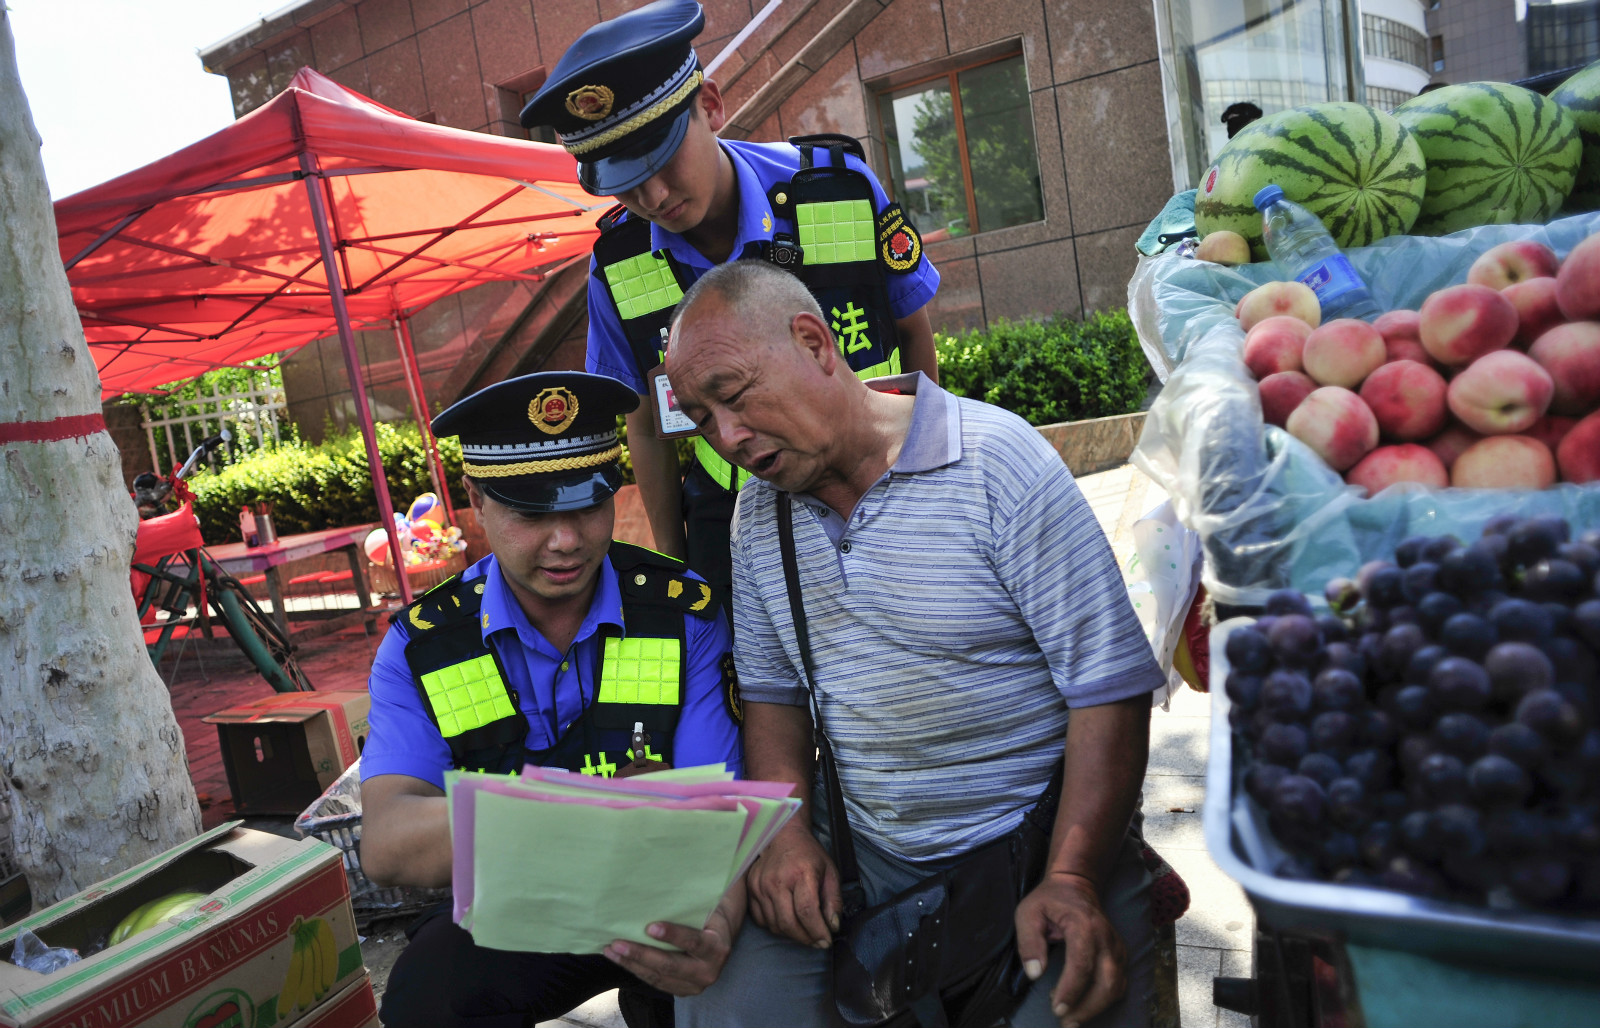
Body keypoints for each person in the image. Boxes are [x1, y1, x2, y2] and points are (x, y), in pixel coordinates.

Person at [664, 261, 1167, 1028]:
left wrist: (1073, 876)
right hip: (866, 851)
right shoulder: (758, 517)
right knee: (725, 995)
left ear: (814, 343)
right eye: (702, 420)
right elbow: (773, 701)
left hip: (1044, 837)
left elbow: (1110, 690)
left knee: (1077, 996)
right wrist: (787, 833)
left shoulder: (995, 461)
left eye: (733, 395)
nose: (727, 437)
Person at [519, 0, 942, 602]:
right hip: (735, 510)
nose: (654, 196)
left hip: (879, 476)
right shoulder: (618, 265)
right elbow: (645, 425)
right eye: (626, 183)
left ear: (711, 106)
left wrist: (928, 473)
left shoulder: (837, 192)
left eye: (662, 158)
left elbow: (913, 331)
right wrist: (678, 565)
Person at [361, 371, 745, 1028]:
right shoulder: (426, 645)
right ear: (476, 500)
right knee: (430, 992)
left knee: (731, 976)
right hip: (518, 900)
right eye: (532, 513)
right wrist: (587, 811)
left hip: (660, 889)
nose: (566, 540)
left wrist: (720, 922)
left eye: (588, 505)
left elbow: (720, 811)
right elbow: (389, 840)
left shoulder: (683, 615)